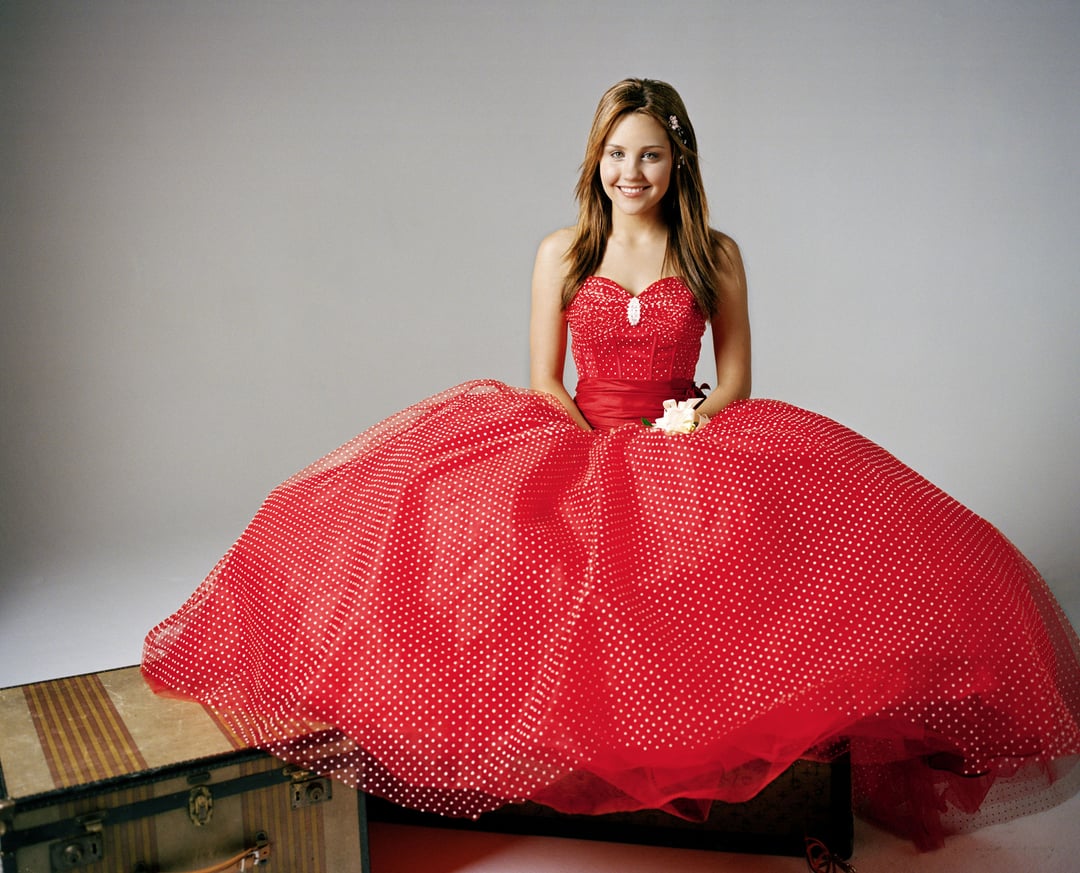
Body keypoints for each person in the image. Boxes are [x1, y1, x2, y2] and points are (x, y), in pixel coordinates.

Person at [142, 78, 1080, 851]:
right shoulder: (563, 251)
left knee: (763, 556)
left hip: (684, 438)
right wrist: (590, 447)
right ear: (596, 159)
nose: (632, 172)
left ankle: (705, 746)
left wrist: (689, 423)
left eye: (651, 155)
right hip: (579, 434)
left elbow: (738, 380)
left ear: (680, 163)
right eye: (617, 154)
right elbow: (543, 379)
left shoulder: (713, 253)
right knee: (468, 533)